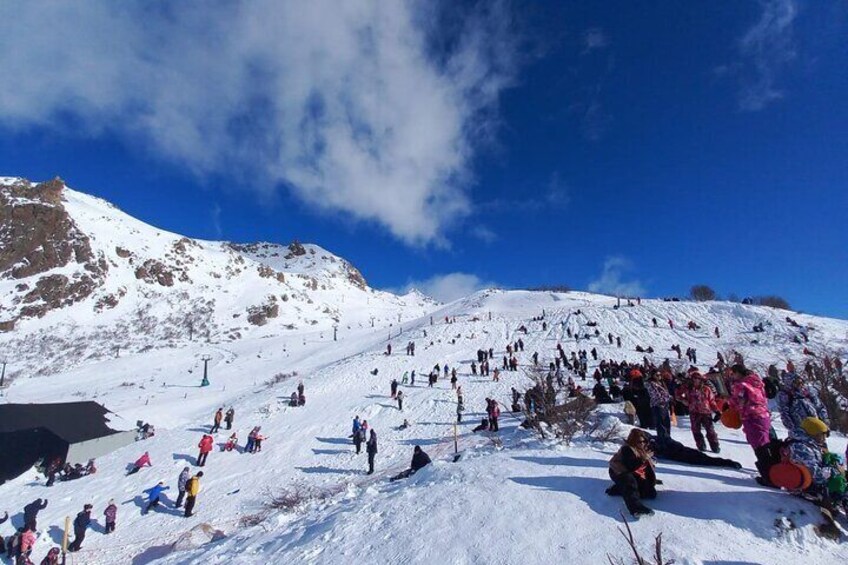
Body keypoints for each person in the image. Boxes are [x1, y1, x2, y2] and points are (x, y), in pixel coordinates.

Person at [728, 364, 775, 485]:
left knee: (760, 447)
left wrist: (729, 405)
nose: (731, 376)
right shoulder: (756, 381)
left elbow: (739, 402)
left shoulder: (741, 385)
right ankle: (775, 473)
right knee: (767, 444)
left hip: (751, 417)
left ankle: (769, 478)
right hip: (764, 415)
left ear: (737, 372)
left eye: (732, 373)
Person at [788, 418, 846, 504]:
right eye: (822, 435)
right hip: (813, 486)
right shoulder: (802, 449)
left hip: (816, 479)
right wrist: (836, 470)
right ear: (813, 434)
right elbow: (817, 475)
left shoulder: (808, 443)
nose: (824, 438)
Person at [606, 429, 657, 517]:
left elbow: (647, 468)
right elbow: (632, 466)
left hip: (633, 472)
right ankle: (636, 508)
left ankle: (619, 489)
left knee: (650, 493)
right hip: (619, 471)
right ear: (633, 441)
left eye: (644, 441)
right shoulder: (627, 449)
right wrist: (645, 458)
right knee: (630, 483)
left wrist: (651, 481)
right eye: (639, 442)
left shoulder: (643, 449)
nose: (642, 443)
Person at [675, 372, 721, 452]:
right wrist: (683, 400)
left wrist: (717, 411)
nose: (695, 380)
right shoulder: (688, 388)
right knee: (696, 430)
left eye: (697, 378)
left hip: (706, 412)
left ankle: (715, 445)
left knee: (710, 430)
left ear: (701, 380)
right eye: (694, 378)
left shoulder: (706, 389)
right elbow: (677, 395)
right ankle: (701, 445)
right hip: (694, 412)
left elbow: (712, 401)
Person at [778, 370, 829, 440]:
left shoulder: (808, 393)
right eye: (797, 383)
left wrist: (825, 423)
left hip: (817, 431)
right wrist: (794, 430)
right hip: (800, 433)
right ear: (790, 383)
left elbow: (820, 407)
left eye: (801, 382)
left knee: (820, 449)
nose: (800, 385)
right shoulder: (786, 396)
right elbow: (784, 414)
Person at [646, 373, 671, 444]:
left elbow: (666, 393)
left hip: (665, 405)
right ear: (653, 375)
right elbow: (655, 395)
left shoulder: (661, 383)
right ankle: (662, 441)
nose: (659, 376)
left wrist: (669, 398)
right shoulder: (651, 384)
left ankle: (668, 439)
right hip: (657, 405)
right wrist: (665, 399)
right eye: (656, 375)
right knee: (660, 425)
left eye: (660, 374)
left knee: (666, 423)